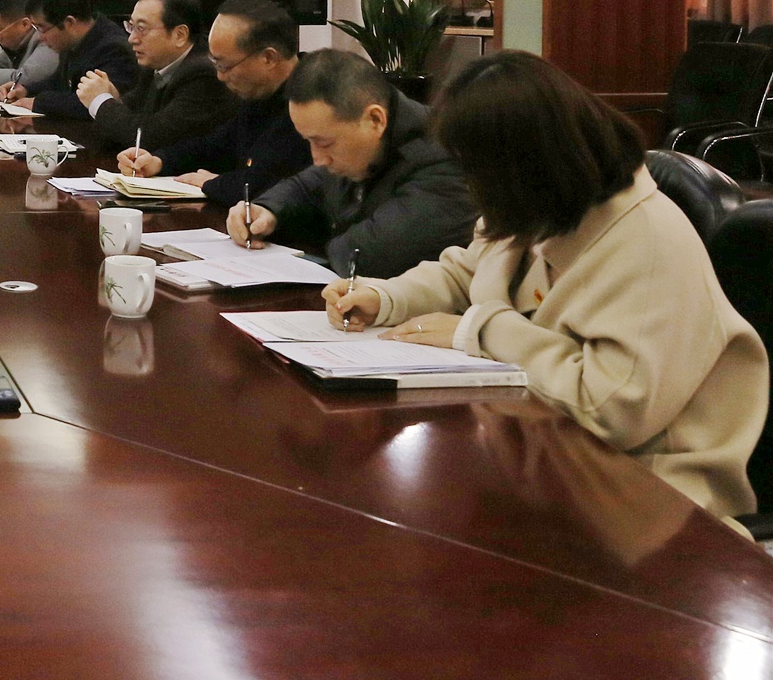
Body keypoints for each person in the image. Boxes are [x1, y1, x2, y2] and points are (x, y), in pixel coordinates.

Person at [324, 51, 768, 523]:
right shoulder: (544, 203)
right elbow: (468, 271)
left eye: (477, 170)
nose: (472, 187)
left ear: (528, 163)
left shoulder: (647, 240)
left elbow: (611, 411)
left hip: (651, 496)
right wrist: (385, 297)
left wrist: (482, 330)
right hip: (543, 453)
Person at [227, 48, 476, 278]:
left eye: (324, 143)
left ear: (375, 120)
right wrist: (266, 210)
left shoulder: (445, 159)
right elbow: (308, 185)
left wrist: (322, 241)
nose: (317, 158)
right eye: (309, 142)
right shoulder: (359, 142)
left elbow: (367, 257)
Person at [117, 0, 312, 210]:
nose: (219, 76)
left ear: (268, 58)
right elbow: (217, 145)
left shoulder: (312, 100)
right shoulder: (260, 92)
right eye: (215, 64)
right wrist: (159, 161)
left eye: (224, 66)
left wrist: (214, 184)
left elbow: (269, 184)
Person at [75, 0, 235, 154]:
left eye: (141, 29)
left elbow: (149, 138)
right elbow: (118, 133)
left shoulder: (205, 74)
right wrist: (114, 102)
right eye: (131, 27)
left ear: (180, 35)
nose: (131, 39)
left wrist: (101, 101)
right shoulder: (153, 65)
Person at [0, 0, 139, 118]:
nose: (39, 37)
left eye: (42, 28)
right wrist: (26, 89)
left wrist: (38, 102)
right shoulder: (73, 43)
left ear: (69, 22)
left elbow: (96, 103)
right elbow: (58, 81)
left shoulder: (114, 49)